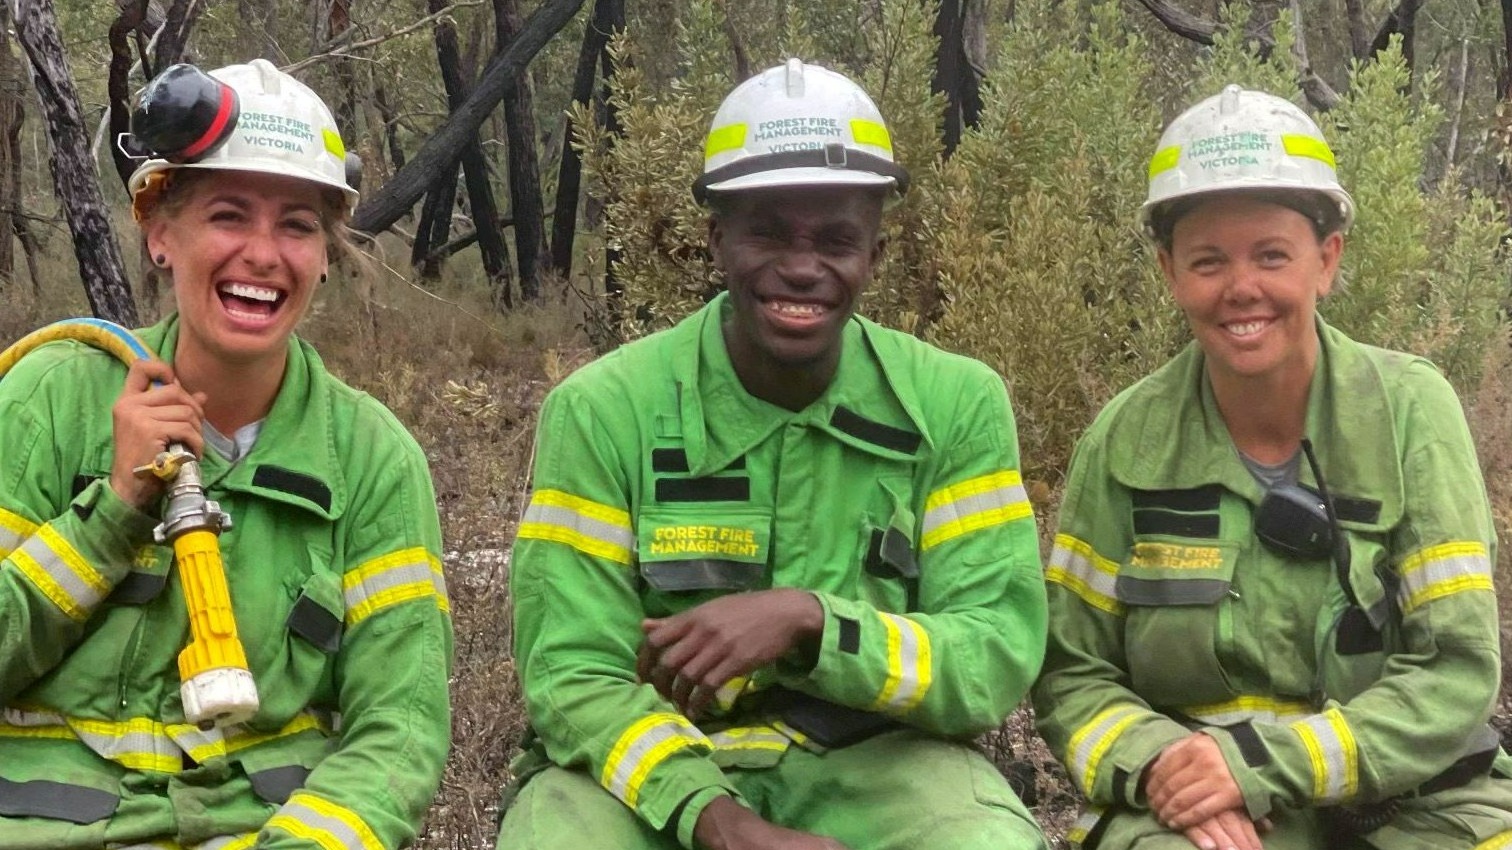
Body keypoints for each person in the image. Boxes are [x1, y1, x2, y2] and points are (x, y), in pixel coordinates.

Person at [496, 59, 1048, 850]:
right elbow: (572, 674)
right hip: (647, 777)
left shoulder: (955, 405)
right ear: (716, 238)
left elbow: (993, 654)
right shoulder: (603, 410)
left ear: (876, 254)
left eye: (835, 239)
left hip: (879, 766)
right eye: (767, 232)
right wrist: (711, 817)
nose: (801, 265)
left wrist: (813, 625)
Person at [1032, 83, 1512, 850]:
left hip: (1415, 803)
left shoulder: (1409, 412)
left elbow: (1455, 670)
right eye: (1209, 260)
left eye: (1272, 255)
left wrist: (1259, 761)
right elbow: (1069, 673)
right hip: (1206, 816)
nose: (1241, 288)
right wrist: (1164, 770)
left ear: (1327, 261)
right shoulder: (1126, 441)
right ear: (1169, 272)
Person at [0, 59, 452, 849]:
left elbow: (399, 730)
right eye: (229, 215)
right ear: (159, 233)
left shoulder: (375, 459)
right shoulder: (47, 397)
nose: (263, 254)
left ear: (324, 254)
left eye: (297, 225)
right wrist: (108, 515)